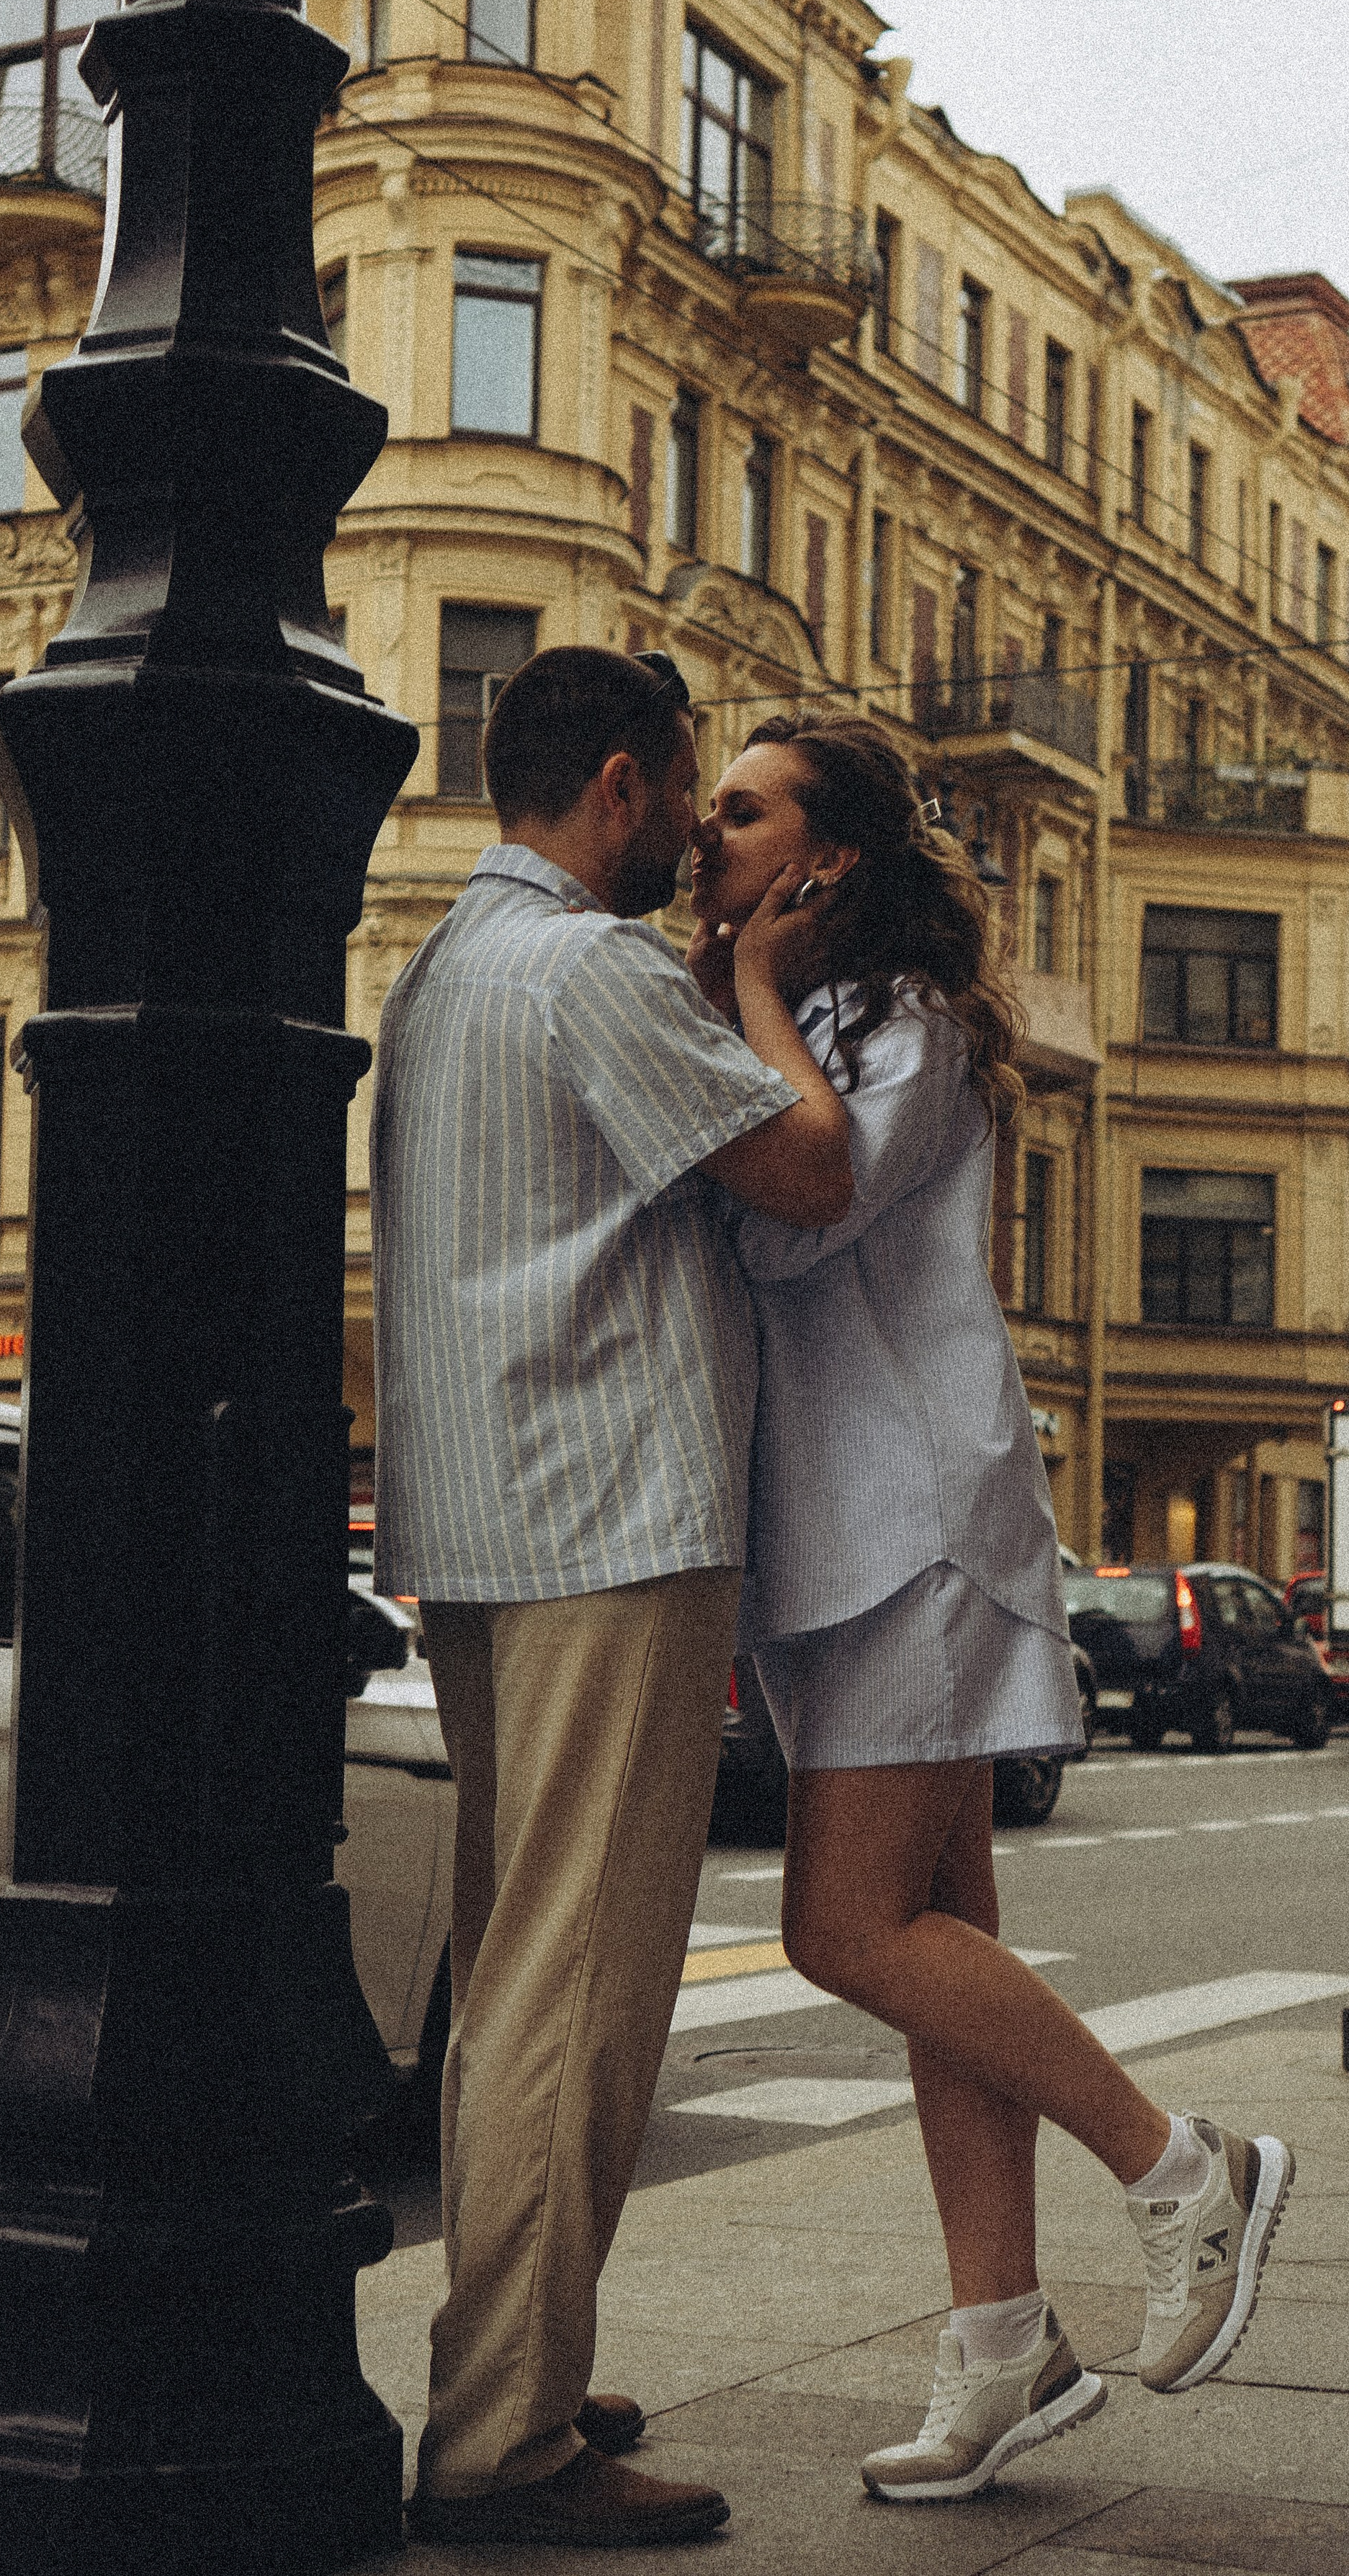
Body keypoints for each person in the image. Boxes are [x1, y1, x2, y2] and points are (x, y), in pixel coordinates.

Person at [686, 716, 1296, 2505]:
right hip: (839, 1532)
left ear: (828, 862)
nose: (709, 839)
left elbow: (800, 1214)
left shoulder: (906, 1027)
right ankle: (1000, 2345)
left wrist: (744, 983)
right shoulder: (824, 1017)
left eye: (744, 814)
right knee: (944, 1947)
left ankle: (1185, 2169)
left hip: (907, 1526)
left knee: (839, 1931)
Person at [370, 648, 851, 2548]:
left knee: (514, 1980)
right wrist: (748, 979)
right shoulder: (594, 970)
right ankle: (505, 2442)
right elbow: (808, 1172)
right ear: (632, 790)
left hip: (486, 1526)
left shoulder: (441, 965)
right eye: (687, 796)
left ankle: (523, 2362)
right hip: (614, 1526)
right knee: (576, 1997)